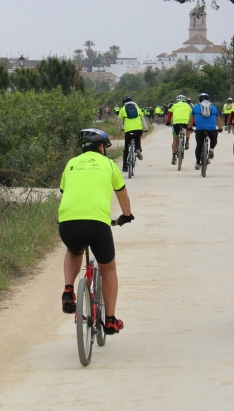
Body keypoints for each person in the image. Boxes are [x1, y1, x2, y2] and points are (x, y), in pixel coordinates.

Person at [58, 128, 134, 335]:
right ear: (101, 147)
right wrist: (126, 215)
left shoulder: (71, 164)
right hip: (97, 224)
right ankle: (110, 320)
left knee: (74, 250)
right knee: (108, 268)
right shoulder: (108, 164)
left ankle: (67, 290)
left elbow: (64, 191)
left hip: (67, 223)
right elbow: (122, 194)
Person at [188, 92, 222, 170]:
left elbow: (191, 119)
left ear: (199, 100)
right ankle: (211, 148)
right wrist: (220, 128)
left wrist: (189, 127)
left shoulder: (196, 107)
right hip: (211, 129)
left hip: (200, 129)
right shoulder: (213, 107)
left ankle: (197, 163)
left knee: (199, 145)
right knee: (213, 139)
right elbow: (218, 120)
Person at [117, 95, 148, 172]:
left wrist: (121, 127)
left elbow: (119, 121)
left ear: (124, 102)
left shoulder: (123, 109)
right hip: (138, 129)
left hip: (128, 130)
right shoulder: (137, 108)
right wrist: (146, 128)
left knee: (126, 148)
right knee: (137, 139)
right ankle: (138, 149)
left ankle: (124, 167)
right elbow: (143, 120)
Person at [168, 94, 193, 164]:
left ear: (177, 100)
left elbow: (170, 114)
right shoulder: (187, 105)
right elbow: (192, 114)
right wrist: (193, 122)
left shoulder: (174, 105)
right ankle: (187, 141)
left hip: (176, 123)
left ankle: (173, 157)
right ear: (185, 100)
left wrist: (168, 122)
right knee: (189, 128)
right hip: (185, 122)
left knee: (175, 140)